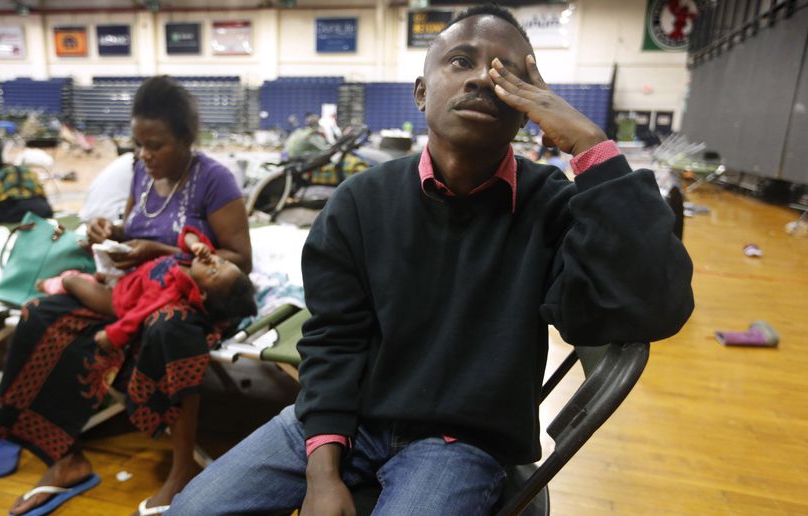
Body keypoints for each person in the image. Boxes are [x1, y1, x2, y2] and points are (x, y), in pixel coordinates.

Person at [170, 5, 693, 514]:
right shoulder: (358, 203)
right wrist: (323, 471)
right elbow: (334, 341)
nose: (483, 80)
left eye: (506, 72)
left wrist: (591, 146)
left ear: (528, 103)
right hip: (346, 419)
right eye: (461, 62)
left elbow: (655, 306)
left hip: (458, 445)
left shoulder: (552, 207)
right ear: (421, 93)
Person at [0, 75, 252, 516]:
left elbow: (238, 259)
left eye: (156, 145)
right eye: (137, 145)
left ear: (186, 140)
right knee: (39, 312)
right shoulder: (141, 174)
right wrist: (110, 232)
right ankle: (63, 457)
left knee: (168, 327)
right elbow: (136, 228)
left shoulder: (214, 180)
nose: (144, 155)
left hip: (189, 292)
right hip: (134, 288)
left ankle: (183, 466)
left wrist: (163, 252)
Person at [36, 226, 257, 351]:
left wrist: (113, 336)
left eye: (214, 272)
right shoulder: (192, 261)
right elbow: (187, 234)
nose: (213, 262)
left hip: (117, 300)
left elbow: (139, 313)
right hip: (129, 279)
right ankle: (90, 278)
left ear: (202, 293)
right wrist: (195, 244)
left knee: (74, 282)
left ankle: (55, 284)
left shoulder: (172, 292)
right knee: (100, 271)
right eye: (221, 262)